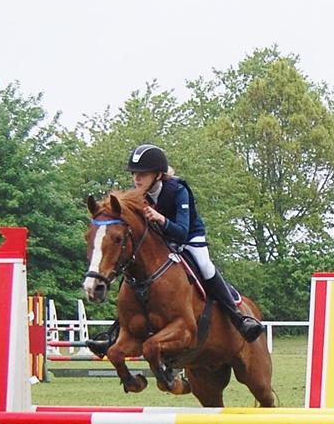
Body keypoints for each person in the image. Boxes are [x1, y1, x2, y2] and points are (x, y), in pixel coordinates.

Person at [86, 144, 264, 356]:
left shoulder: (178, 190)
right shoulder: (138, 197)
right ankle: (115, 334)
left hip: (189, 237)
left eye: (143, 174)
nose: (137, 179)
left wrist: (161, 219)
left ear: (158, 175)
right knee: (133, 275)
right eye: (135, 174)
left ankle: (238, 318)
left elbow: (181, 232)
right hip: (162, 241)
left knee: (205, 266)